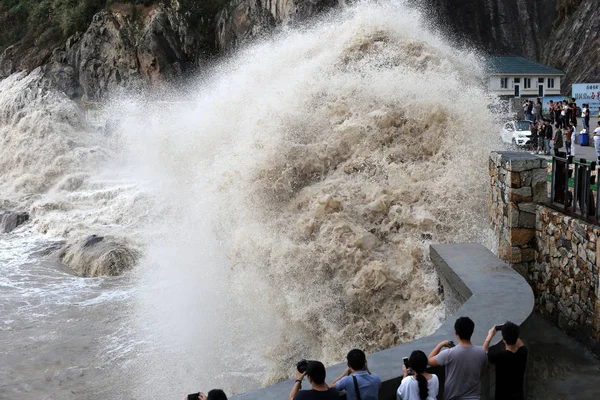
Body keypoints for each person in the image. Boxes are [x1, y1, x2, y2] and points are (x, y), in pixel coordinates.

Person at [428, 317, 487, 400]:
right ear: (472, 331)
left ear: (456, 332)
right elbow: (483, 371)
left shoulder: (449, 354)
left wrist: (440, 345)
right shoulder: (482, 352)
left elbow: (429, 361)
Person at [483, 322, 528, 400]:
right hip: (518, 396)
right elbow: (518, 342)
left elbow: (483, 353)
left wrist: (489, 336)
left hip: (502, 396)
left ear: (503, 339)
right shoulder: (523, 352)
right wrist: (509, 329)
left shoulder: (500, 356)